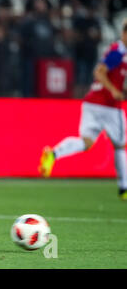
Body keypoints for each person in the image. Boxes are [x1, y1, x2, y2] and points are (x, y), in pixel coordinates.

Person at [39, 19, 127, 201]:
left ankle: (53, 153)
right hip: (109, 106)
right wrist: (114, 90)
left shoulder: (115, 51)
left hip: (91, 103)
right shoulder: (119, 51)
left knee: (86, 142)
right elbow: (99, 72)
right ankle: (124, 188)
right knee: (119, 146)